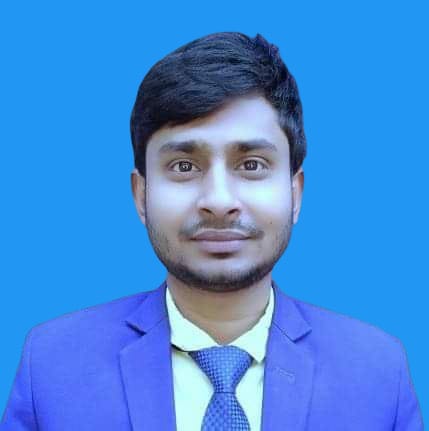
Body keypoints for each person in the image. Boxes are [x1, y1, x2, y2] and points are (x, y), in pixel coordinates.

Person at [1, 32, 423, 431]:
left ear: (295, 193)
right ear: (141, 194)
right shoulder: (52, 365)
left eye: (252, 165)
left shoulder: (378, 373)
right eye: (184, 166)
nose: (219, 200)